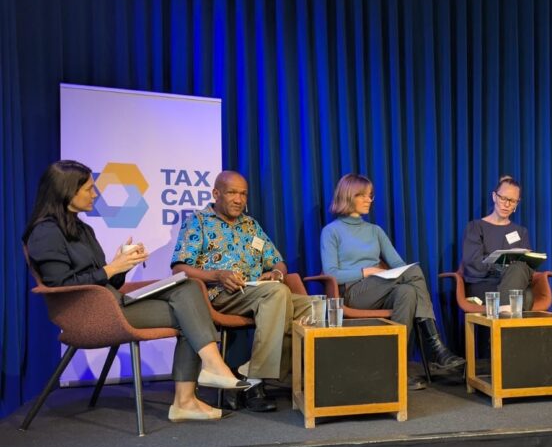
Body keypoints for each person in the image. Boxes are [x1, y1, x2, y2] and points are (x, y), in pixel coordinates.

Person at [24, 161, 247, 423]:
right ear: (67, 191)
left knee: (187, 288)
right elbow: (60, 285)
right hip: (87, 314)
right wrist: (110, 269)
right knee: (192, 313)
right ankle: (201, 381)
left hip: (110, 302)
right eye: (89, 188)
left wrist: (121, 264)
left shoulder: (83, 229)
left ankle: (196, 387)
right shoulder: (45, 232)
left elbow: (108, 281)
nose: (95, 194)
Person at [172, 171, 312, 412]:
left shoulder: (251, 225)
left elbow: (277, 261)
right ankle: (256, 381)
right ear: (216, 193)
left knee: (310, 307)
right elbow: (180, 268)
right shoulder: (199, 222)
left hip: (256, 293)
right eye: (232, 193)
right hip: (218, 295)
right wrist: (217, 275)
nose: (239, 199)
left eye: (243, 194)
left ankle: (249, 375)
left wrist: (277, 274)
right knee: (277, 294)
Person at [320, 173, 465, 390]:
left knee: (407, 291)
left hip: (382, 289)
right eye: (364, 196)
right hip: (352, 294)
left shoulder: (375, 231)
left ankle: (397, 371)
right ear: (350, 196)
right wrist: (365, 271)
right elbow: (331, 273)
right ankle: (435, 344)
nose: (370, 200)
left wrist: (398, 273)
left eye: (371, 196)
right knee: (410, 277)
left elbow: (398, 264)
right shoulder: (331, 231)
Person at [461, 175, 536, 310]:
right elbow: (473, 263)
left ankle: (502, 317)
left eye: (512, 201)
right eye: (503, 198)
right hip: (484, 284)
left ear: (517, 204)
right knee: (527, 296)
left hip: (514, 283)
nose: (507, 205)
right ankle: (505, 317)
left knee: (520, 268)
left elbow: (527, 269)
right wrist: (502, 265)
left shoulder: (521, 231)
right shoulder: (475, 227)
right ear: (494, 196)